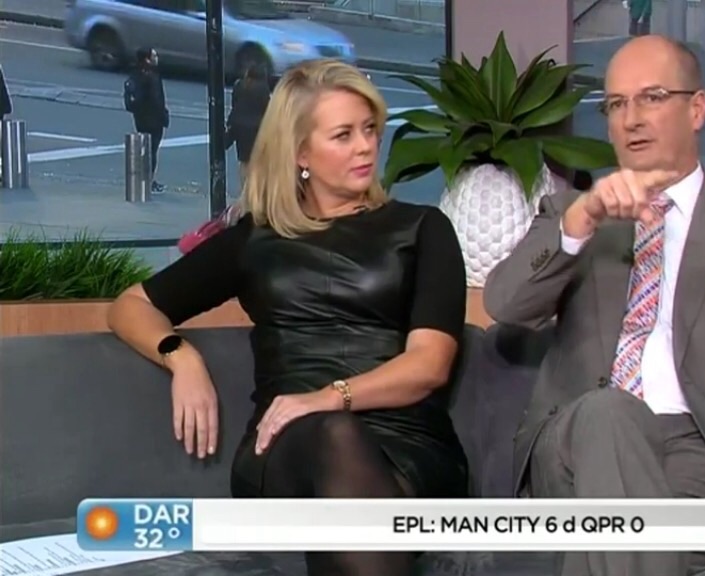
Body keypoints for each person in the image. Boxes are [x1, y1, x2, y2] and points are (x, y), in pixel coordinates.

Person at [483, 35, 705, 576]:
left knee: (624, 540)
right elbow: (505, 305)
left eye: (651, 97)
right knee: (611, 414)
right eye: (615, 104)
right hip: (578, 444)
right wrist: (581, 221)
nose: (631, 119)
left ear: (697, 109)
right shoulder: (573, 211)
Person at [107, 59, 469, 576]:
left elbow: (429, 365)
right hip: (285, 450)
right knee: (333, 436)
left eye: (370, 129)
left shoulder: (424, 229)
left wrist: (329, 397)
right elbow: (130, 305)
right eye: (343, 135)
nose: (366, 147)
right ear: (300, 152)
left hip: (409, 448)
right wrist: (181, 358)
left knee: (339, 439)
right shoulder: (255, 240)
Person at [125, 48, 169, 193]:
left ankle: (142, 180)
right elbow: (157, 99)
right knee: (152, 151)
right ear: (147, 59)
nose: (157, 58)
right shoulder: (152, 76)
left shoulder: (136, 73)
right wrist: (164, 116)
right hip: (154, 120)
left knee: (144, 149)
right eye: (154, 56)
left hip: (140, 118)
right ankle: (148, 181)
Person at [226, 63, 271, 186]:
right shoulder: (263, 89)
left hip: (239, 128)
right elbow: (266, 110)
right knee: (257, 163)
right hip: (257, 129)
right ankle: (253, 191)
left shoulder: (239, 86)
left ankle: (244, 188)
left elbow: (234, 105)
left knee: (244, 162)